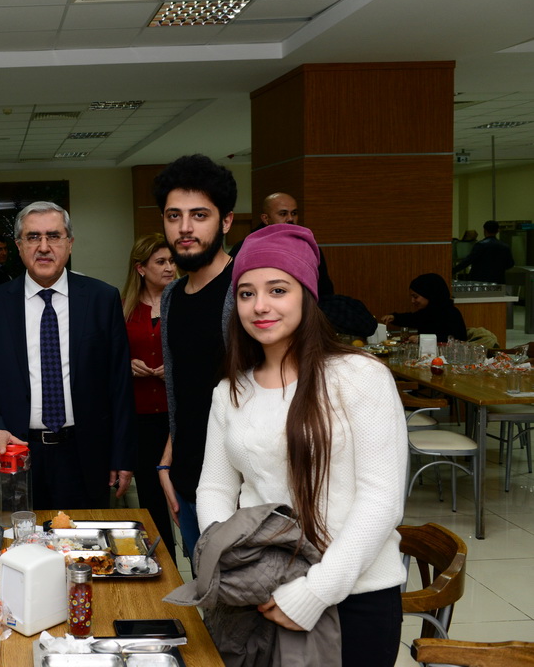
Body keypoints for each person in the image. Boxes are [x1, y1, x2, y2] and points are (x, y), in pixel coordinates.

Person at [199, 223, 407, 666]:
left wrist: (315, 592)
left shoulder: (359, 376)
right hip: (260, 596)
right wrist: (236, 566)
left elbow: (382, 499)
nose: (260, 306)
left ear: (306, 296)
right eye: (246, 293)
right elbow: (215, 489)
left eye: (278, 290)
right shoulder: (231, 391)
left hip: (355, 597)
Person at [0, 201, 136, 509]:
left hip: (85, 454)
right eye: (33, 237)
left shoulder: (102, 299)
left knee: (83, 539)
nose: (43, 247)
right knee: (19, 538)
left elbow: (119, 384)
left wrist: (121, 454)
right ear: (19, 246)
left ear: (69, 243)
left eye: (54, 236)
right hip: (16, 452)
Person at [154, 154, 236, 560]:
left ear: (226, 221)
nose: (185, 228)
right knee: (205, 592)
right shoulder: (171, 296)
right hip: (186, 480)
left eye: (199, 215)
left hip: (239, 489)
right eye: (174, 216)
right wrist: (167, 462)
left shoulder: (246, 290)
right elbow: (184, 387)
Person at [120, 234, 178, 561]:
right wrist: (126, 364)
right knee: (152, 499)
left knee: (186, 495)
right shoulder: (123, 308)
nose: (170, 267)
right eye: (161, 262)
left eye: (172, 261)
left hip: (178, 416)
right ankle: (164, 565)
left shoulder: (184, 301)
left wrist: (177, 368)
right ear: (141, 268)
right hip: (140, 416)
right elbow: (107, 357)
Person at [229, 192, 334, 298]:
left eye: (294, 213)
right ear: (266, 219)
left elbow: (325, 292)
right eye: (283, 214)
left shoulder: (308, 248)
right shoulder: (245, 248)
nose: (290, 219)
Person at [380, 272, 468, 343]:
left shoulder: (451, 314)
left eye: (415, 297)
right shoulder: (428, 312)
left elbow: (456, 340)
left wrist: (423, 339)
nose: (412, 301)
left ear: (430, 295)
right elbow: (411, 319)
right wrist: (394, 317)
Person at [455, 219, 514, 284]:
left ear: (484, 230)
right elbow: (510, 264)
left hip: (479, 281)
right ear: (497, 231)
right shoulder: (505, 247)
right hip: (498, 281)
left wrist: (453, 270)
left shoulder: (480, 245)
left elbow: (467, 261)